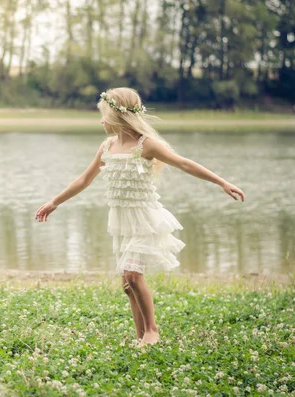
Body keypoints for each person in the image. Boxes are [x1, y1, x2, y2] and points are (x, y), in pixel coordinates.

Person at [34, 87, 245, 347]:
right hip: (122, 221)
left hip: (145, 219)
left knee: (134, 275)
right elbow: (84, 179)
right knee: (126, 283)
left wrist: (222, 182)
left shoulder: (146, 145)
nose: (101, 121)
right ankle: (140, 335)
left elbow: (185, 163)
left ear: (116, 115)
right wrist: (55, 201)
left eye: (103, 115)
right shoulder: (107, 146)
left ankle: (152, 330)